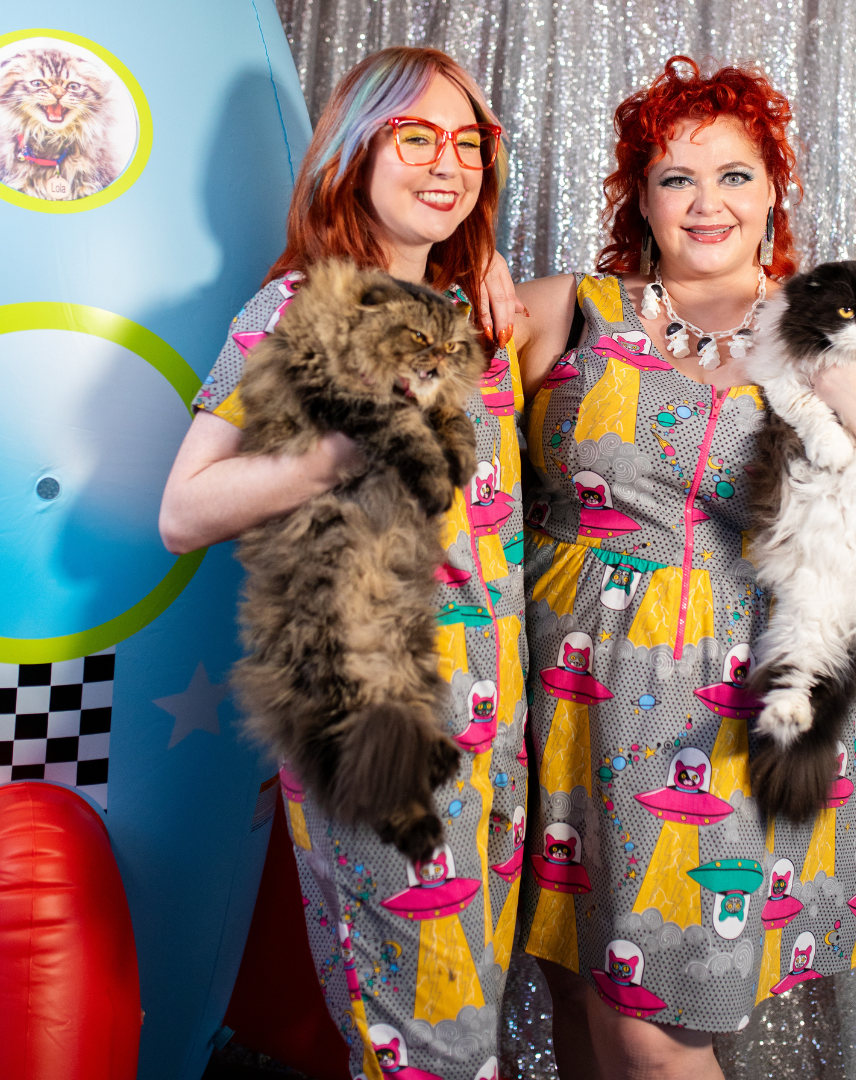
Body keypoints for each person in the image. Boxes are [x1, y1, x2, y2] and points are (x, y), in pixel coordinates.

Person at [509, 57, 856, 1079]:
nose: (706, 202)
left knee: (653, 1034)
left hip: (715, 714)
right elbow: (423, 424)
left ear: (773, 192)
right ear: (640, 198)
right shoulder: (566, 311)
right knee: (577, 1001)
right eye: (676, 178)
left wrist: (847, 392)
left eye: (734, 175)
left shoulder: (837, 343)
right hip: (548, 701)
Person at [159, 47, 528, 1080]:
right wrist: (328, 455)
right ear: (354, 152)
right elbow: (182, 510)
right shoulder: (293, 311)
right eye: (416, 136)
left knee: (467, 1032)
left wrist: (485, 262)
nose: (447, 163)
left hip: (495, 719)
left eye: (468, 143)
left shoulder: (471, 316)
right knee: (430, 1051)